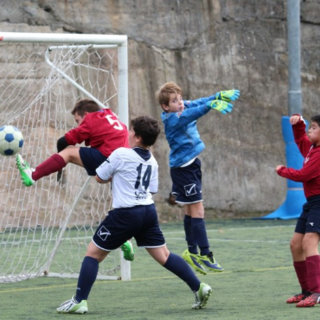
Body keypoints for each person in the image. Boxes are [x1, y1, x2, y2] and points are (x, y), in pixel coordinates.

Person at [56, 115, 212, 314]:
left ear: (137, 137)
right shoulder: (153, 162)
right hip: (148, 211)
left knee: (93, 255)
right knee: (164, 255)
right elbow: (152, 189)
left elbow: (99, 177)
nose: (127, 133)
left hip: (125, 214)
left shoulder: (120, 153)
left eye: (130, 131)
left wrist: (116, 175)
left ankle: (79, 301)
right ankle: (199, 287)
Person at [15, 98, 134, 261]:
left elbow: (63, 141)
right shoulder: (110, 115)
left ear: (85, 114)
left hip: (109, 158)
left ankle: (32, 175)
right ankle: (126, 239)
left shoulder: (91, 119)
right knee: (120, 202)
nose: (79, 124)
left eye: (78, 120)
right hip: (126, 162)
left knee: (69, 152)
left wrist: (60, 162)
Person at [156, 81, 240, 275]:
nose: (180, 103)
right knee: (198, 210)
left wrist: (216, 97)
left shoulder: (181, 106)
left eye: (180, 98)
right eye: (174, 101)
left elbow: (197, 103)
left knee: (190, 209)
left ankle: (192, 251)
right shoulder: (173, 118)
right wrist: (210, 106)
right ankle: (205, 253)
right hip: (183, 169)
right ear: (165, 106)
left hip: (191, 164)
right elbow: (193, 113)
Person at [275, 114, 320, 307]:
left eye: (315, 127)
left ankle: (317, 292)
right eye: (311, 127)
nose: (311, 130)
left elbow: (304, 175)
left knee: (309, 241)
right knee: (295, 244)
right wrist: (298, 123)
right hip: (311, 204)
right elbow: (300, 139)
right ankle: (306, 291)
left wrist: (282, 170)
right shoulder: (311, 148)